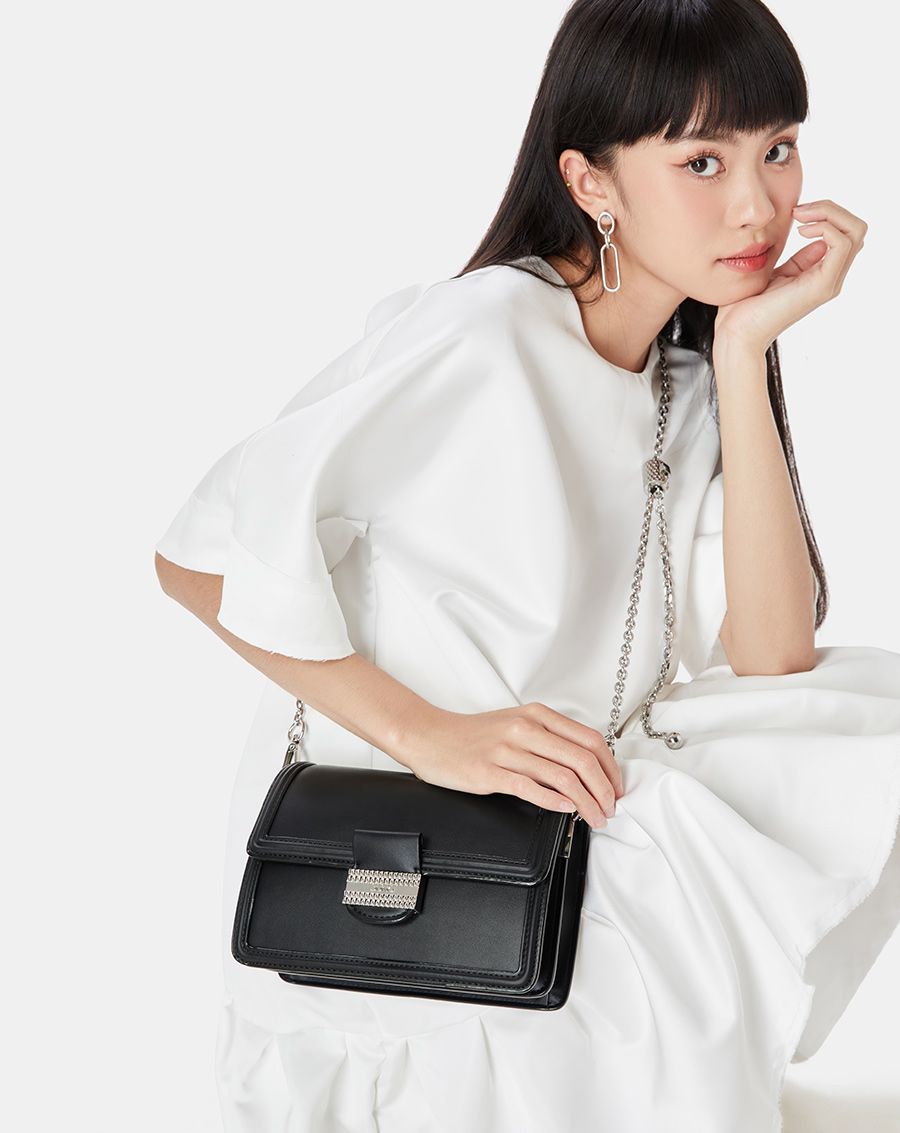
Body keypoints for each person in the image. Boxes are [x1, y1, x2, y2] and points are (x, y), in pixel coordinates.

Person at [154, 1, 900, 1130]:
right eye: (703, 160)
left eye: (779, 149)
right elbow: (194, 558)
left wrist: (745, 353)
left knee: (863, 723)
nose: (758, 205)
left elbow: (775, 655)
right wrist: (431, 735)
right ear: (592, 181)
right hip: (403, 856)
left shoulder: (684, 376)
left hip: (556, 818)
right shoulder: (484, 333)